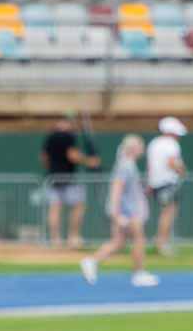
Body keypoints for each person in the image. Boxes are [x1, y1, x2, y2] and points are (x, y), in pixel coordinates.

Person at [80, 134, 159, 288]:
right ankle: (138, 273)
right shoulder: (126, 165)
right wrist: (116, 214)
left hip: (129, 210)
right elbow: (117, 188)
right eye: (140, 146)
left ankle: (92, 261)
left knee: (118, 242)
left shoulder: (128, 165)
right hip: (129, 212)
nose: (142, 149)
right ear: (132, 148)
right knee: (138, 240)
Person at [41, 113, 99, 249]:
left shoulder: (50, 136)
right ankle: (73, 237)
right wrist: (89, 162)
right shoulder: (68, 136)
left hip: (53, 177)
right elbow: (72, 155)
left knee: (55, 208)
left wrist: (52, 169)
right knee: (79, 205)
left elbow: (43, 157)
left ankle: (55, 240)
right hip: (67, 177)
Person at [147, 116, 187, 256]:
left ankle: (161, 241)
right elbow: (172, 163)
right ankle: (161, 243)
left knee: (166, 213)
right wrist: (182, 170)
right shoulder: (171, 144)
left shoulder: (154, 143)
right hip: (167, 183)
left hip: (156, 183)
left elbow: (150, 166)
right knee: (168, 213)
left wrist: (150, 183)